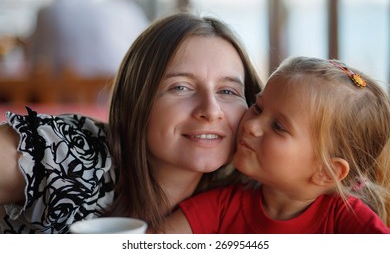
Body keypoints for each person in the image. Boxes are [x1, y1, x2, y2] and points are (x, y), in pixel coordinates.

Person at [0, 11, 262, 233]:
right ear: (137, 100)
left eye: (227, 91)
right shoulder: (71, 156)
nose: (211, 110)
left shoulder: (249, 196)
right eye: (181, 87)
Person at [159, 56, 390, 234]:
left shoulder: (347, 222)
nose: (251, 125)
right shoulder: (223, 206)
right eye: (258, 108)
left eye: (278, 126)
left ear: (326, 171)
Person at [28, 0, 149, 77]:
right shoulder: (121, 8)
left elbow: (33, 56)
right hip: (118, 89)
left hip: (65, 98)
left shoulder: (47, 11)